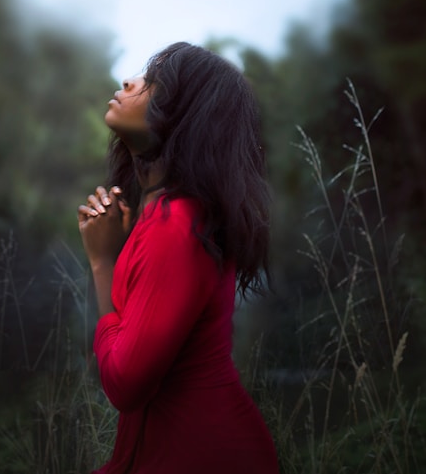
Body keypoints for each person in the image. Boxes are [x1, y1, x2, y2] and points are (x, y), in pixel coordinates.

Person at [78, 42, 279, 473]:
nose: (129, 82)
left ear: (186, 117)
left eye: (153, 84)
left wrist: (101, 263)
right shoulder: (166, 217)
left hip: (202, 455)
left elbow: (125, 385)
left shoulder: (177, 227)